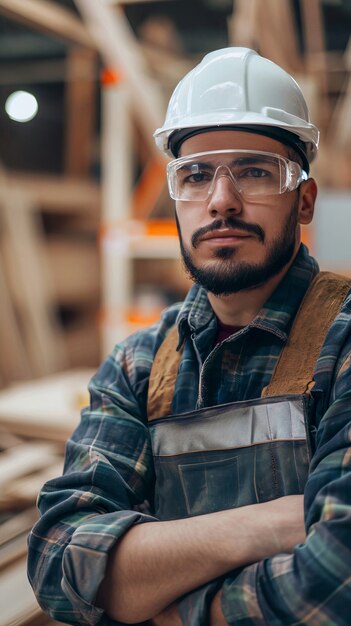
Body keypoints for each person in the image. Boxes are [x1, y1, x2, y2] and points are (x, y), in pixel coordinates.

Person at [28, 47, 351, 626]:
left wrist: (164, 608)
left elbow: (336, 580)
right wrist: (270, 524)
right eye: (196, 175)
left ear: (303, 200)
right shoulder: (138, 364)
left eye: (254, 170)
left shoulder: (343, 345)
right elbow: (59, 561)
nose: (221, 201)